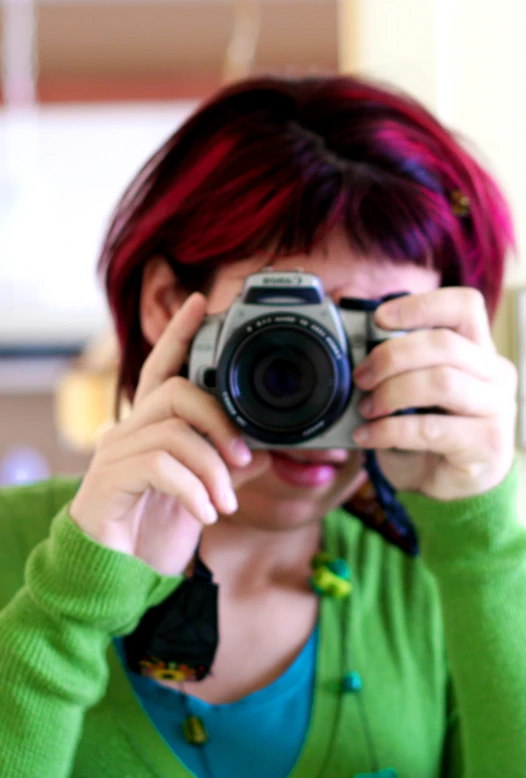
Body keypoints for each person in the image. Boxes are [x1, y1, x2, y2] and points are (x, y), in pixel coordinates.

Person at [0, 73, 524, 778]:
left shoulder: (445, 590)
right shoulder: (11, 554)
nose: (327, 385)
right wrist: (71, 604)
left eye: (372, 340)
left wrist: (478, 543)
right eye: (296, 339)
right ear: (167, 305)